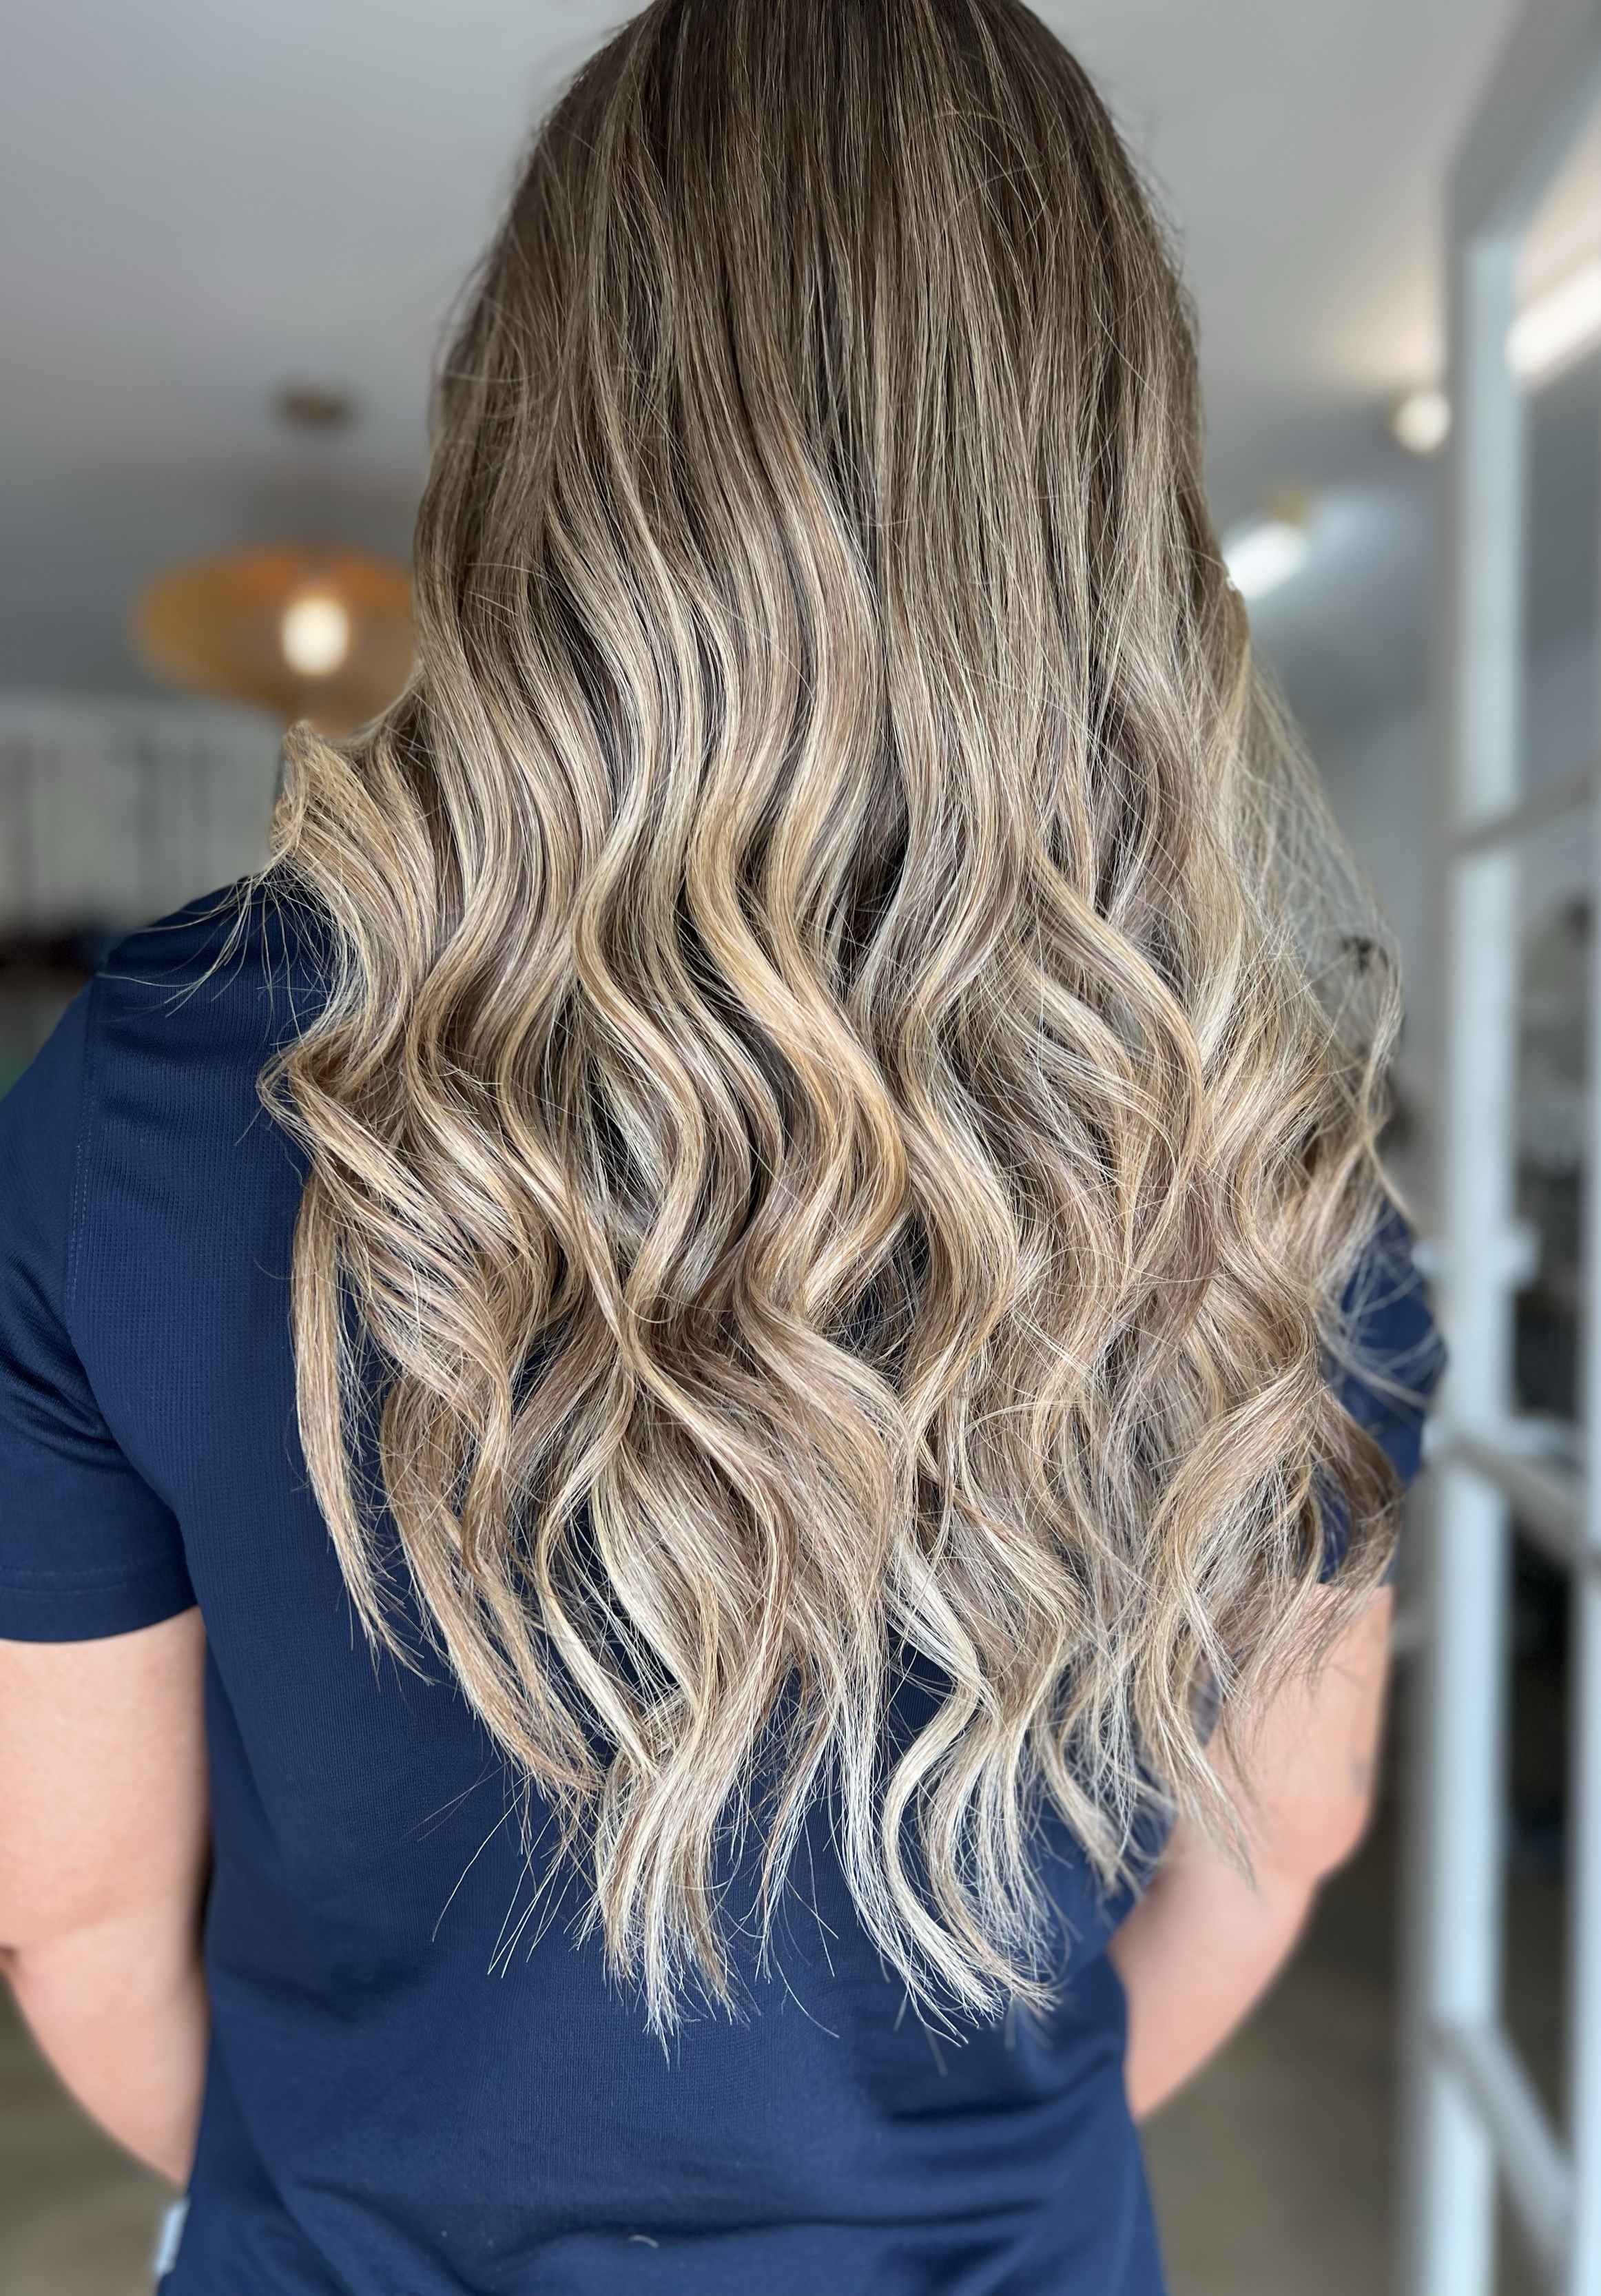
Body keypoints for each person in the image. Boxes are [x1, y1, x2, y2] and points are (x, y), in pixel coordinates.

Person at [0, 3, 1442, 2289]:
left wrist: (334, 2199)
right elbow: (1282, 1840)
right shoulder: (1267, 1165)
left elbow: (69, 1913)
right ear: (1103, 484)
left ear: (530, 435)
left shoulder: (160, 1088)